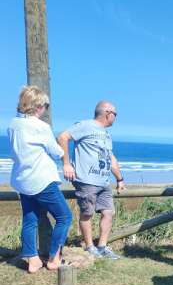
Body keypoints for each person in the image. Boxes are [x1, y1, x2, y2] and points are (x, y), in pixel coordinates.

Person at [8, 86, 73, 273]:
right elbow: (56, 151)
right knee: (64, 216)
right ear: (37, 106)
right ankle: (54, 258)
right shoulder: (41, 127)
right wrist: (65, 159)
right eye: (45, 105)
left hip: (22, 179)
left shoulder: (12, 124)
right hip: (42, 180)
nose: (46, 109)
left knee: (30, 219)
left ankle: (33, 260)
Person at [58, 101, 125, 259]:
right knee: (87, 213)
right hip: (86, 180)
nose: (116, 117)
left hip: (103, 181)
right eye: (115, 114)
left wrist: (120, 179)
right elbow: (62, 137)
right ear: (107, 113)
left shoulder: (106, 134)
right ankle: (89, 247)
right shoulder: (85, 126)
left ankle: (102, 246)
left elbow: (110, 158)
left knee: (109, 213)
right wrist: (66, 164)